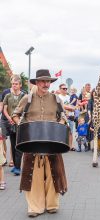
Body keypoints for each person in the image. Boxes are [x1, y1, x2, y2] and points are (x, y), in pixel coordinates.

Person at [12, 69, 68, 218]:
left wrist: (60, 124)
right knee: (33, 176)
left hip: (52, 142)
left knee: (53, 174)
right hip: (32, 143)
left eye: (48, 81)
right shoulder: (27, 99)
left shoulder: (56, 99)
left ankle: (51, 204)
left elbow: (64, 116)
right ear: (36, 83)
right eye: (43, 81)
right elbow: (15, 115)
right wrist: (20, 125)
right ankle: (35, 207)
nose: (46, 84)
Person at [3, 76, 25, 175]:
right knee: (12, 144)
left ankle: (17, 167)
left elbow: (26, 110)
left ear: (20, 85)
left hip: (20, 123)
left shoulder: (24, 96)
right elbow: (4, 109)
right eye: (12, 84)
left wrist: (19, 120)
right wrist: (9, 119)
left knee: (19, 145)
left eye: (16, 84)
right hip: (10, 123)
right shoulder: (7, 96)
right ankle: (16, 165)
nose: (14, 86)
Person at [58, 83, 75, 150]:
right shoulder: (58, 97)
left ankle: (71, 146)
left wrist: (71, 108)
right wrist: (69, 108)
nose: (65, 89)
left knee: (70, 132)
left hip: (70, 116)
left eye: (66, 88)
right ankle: (61, 146)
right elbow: (61, 106)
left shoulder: (69, 97)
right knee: (61, 131)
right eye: (63, 88)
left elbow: (74, 106)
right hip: (62, 117)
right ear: (60, 89)